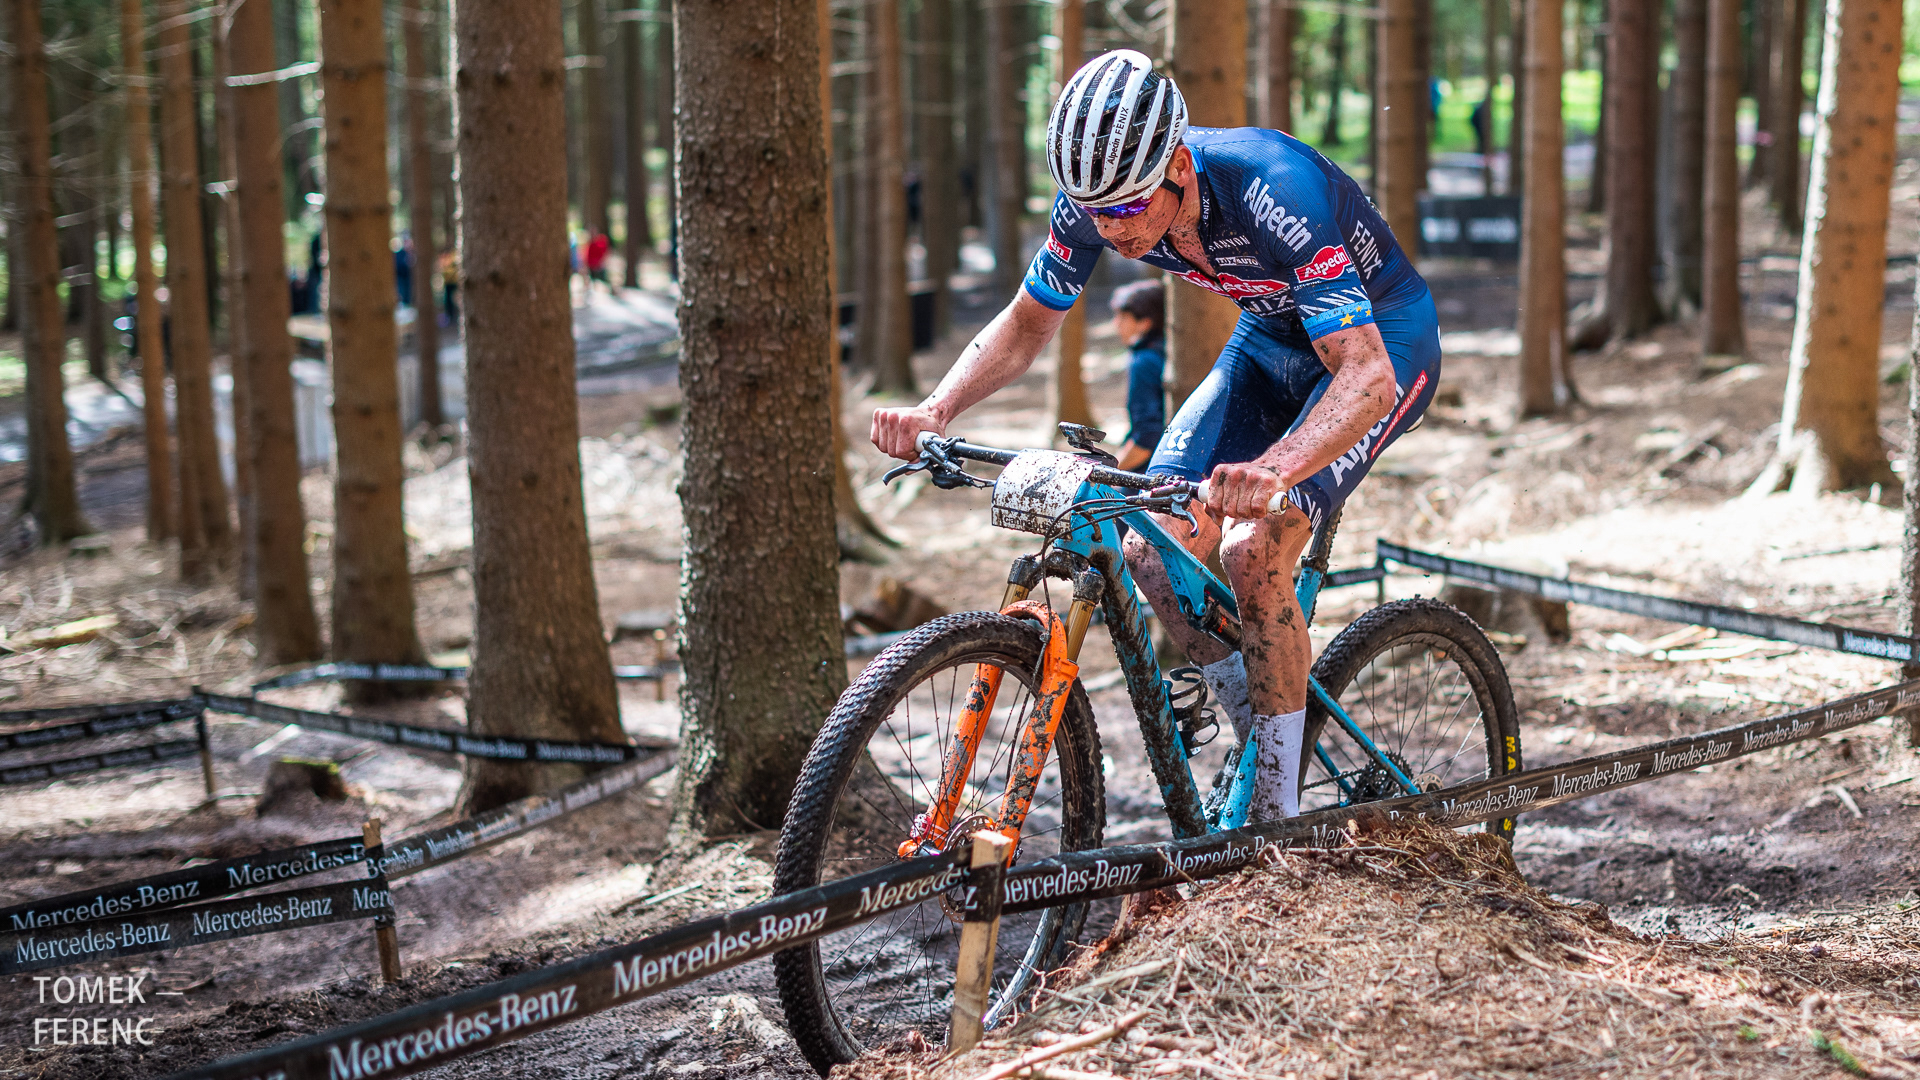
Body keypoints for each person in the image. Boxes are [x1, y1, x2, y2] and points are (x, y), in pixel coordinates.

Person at [870, 49, 1440, 824]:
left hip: (1384, 345)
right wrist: (938, 408)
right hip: (1270, 342)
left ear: (1178, 164)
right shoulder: (1102, 198)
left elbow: (1366, 376)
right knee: (1152, 552)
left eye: (1131, 209)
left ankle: (1274, 819)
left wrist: (1270, 473)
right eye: (1096, 212)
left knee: (1252, 545)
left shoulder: (1274, 188)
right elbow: (1031, 321)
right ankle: (1272, 737)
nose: (1114, 230)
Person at [1108, 279, 1166, 471]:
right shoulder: (1166, 351)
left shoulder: (1143, 361)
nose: (1116, 324)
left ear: (1145, 323)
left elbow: (1147, 437)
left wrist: (1109, 475)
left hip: (1149, 473)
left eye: (1123, 317)